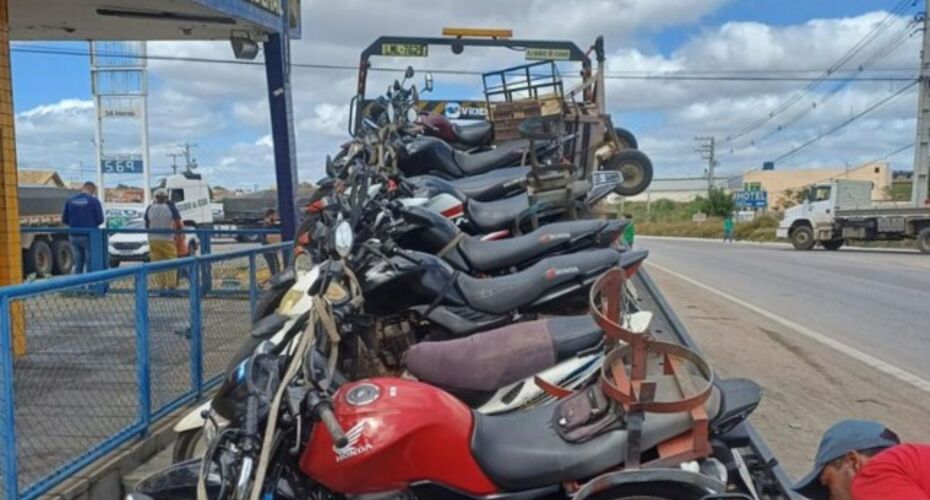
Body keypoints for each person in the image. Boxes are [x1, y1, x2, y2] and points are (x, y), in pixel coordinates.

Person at [793, 419, 930, 500]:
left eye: (828, 483)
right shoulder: (915, 463)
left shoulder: (875, 474)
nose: (830, 497)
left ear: (853, 462)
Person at [61, 181, 104, 274]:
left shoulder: (70, 201)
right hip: (89, 235)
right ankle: (90, 284)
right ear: (92, 190)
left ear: (83, 188)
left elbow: (64, 219)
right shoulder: (94, 201)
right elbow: (100, 219)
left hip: (74, 234)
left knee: (78, 262)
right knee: (90, 261)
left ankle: (79, 284)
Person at [145, 188, 182, 289]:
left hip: (153, 239)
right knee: (171, 263)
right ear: (166, 198)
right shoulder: (171, 208)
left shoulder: (150, 208)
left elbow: (147, 224)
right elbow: (178, 223)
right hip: (167, 239)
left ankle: (161, 286)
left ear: (155, 198)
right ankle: (171, 286)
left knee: (157, 263)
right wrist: (178, 234)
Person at [260, 208, 281, 275]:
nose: (276, 218)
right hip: (269, 250)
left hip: (271, 250)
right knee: (275, 269)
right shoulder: (266, 225)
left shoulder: (269, 225)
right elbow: (266, 238)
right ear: (270, 215)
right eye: (275, 216)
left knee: (276, 267)